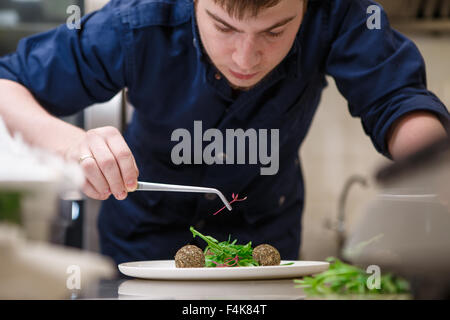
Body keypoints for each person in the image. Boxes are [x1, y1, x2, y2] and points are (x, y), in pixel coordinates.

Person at [0, 0, 448, 265]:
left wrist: (435, 176)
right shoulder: (136, 22)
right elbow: (8, 85)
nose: (246, 58)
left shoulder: (339, 14)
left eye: (276, 30)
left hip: (265, 245)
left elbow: (396, 99)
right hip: (145, 243)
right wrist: (71, 144)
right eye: (223, 26)